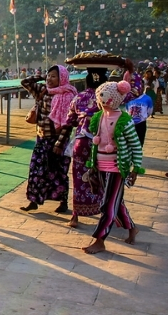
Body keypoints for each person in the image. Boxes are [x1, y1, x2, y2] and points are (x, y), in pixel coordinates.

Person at [82, 81, 143, 254]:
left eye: (105, 96)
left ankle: (99, 240)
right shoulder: (98, 117)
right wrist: (92, 165)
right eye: (100, 95)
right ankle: (131, 228)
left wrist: (136, 168)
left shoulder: (125, 120)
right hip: (100, 166)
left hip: (117, 168)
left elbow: (135, 145)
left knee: (108, 205)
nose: (102, 99)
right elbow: (96, 142)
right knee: (116, 202)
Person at [55, 68, 108, 228]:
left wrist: (59, 142)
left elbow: (69, 122)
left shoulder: (78, 97)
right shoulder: (108, 98)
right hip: (103, 145)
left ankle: (75, 216)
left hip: (81, 143)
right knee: (103, 178)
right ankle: (106, 212)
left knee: (79, 179)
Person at [20, 65, 76, 213]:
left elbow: (68, 123)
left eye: (53, 76)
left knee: (58, 171)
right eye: (48, 76)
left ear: (62, 78)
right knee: (36, 170)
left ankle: (63, 202)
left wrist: (59, 143)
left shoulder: (68, 96)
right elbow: (25, 83)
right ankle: (33, 200)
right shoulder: (43, 90)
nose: (50, 79)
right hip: (41, 138)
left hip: (58, 141)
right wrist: (39, 76)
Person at [125, 73, 152, 147]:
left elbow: (149, 111)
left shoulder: (147, 98)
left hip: (141, 124)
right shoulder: (129, 97)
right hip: (130, 123)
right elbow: (127, 109)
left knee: (140, 143)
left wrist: (143, 117)